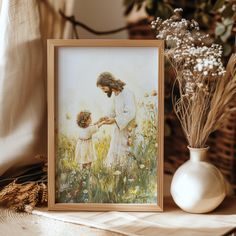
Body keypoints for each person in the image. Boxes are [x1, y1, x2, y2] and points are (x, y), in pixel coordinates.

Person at [97, 72, 136, 166]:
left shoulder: (127, 93)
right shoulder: (116, 95)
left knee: (125, 153)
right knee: (114, 154)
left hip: (128, 129)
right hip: (119, 129)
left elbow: (130, 112)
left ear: (108, 84)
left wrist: (115, 120)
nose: (103, 91)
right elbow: (113, 112)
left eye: (103, 88)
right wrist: (105, 118)